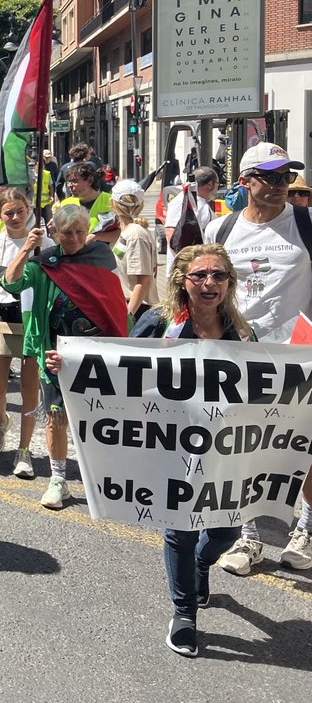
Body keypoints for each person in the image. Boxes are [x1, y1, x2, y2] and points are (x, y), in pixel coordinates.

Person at [117, 244, 253, 656]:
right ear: (182, 280)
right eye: (200, 275)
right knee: (180, 528)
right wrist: (67, 366)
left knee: (226, 532)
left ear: (229, 283)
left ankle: (200, 565)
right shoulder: (158, 324)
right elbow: (119, 366)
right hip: (171, 446)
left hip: (225, 450)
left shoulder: (244, 332)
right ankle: (184, 614)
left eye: (218, 276)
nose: (209, 283)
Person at [204, 143, 312, 576]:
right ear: (245, 181)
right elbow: (199, 285)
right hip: (240, 358)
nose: (281, 185)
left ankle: (305, 529)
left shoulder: (305, 223)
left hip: (301, 357)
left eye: (287, 176)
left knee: (304, 449)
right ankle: (249, 538)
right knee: (245, 448)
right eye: (270, 176)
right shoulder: (221, 230)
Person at [1, 203, 128, 509]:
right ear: (54, 232)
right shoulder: (45, 262)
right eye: (67, 232)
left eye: (80, 232)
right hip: (55, 354)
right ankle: (58, 479)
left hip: (99, 354)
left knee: (100, 418)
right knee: (56, 416)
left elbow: (115, 303)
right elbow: (11, 281)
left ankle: (103, 479)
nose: (73, 238)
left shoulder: (101, 257)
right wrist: (26, 249)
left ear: (88, 232)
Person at [0, 188, 44, 477]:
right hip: (1, 314)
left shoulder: (45, 243)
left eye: (20, 211)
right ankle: (2, 421)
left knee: (30, 390)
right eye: (9, 213)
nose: (16, 217)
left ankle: (24, 450)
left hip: (32, 316)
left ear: (29, 210)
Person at [109, 180, 158, 320]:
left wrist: (127, 316)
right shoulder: (129, 231)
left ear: (113, 203)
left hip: (138, 309)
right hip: (129, 305)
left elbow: (144, 280)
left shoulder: (135, 235)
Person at [164, 166, 219, 274]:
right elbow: (171, 232)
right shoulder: (184, 201)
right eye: (217, 185)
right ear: (210, 185)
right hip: (187, 270)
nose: (217, 189)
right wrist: (186, 264)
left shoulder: (198, 202)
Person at [59, 161, 121, 245]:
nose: (70, 185)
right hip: (75, 256)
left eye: (74, 181)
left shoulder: (111, 201)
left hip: (104, 255)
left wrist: (97, 236)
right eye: (68, 182)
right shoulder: (66, 204)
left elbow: (123, 232)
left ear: (89, 180)